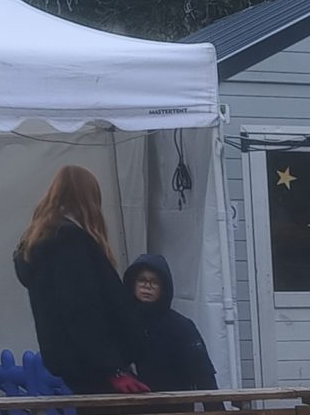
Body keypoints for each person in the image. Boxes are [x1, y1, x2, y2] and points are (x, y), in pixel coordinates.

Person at [13, 165, 145, 396]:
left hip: (72, 361)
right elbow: (82, 309)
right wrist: (113, 367)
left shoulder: (40, 244)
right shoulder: (70, 242)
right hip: (96, 364)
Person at [123, 254, 219, 392]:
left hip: (174, 401)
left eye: (154, 282)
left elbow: (203, 374)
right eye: (142, 280)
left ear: (164, 288)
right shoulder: (120, 323)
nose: (147, 286)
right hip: (127, 400)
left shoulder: (181, 326)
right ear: (132, 284)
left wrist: (214, 406)